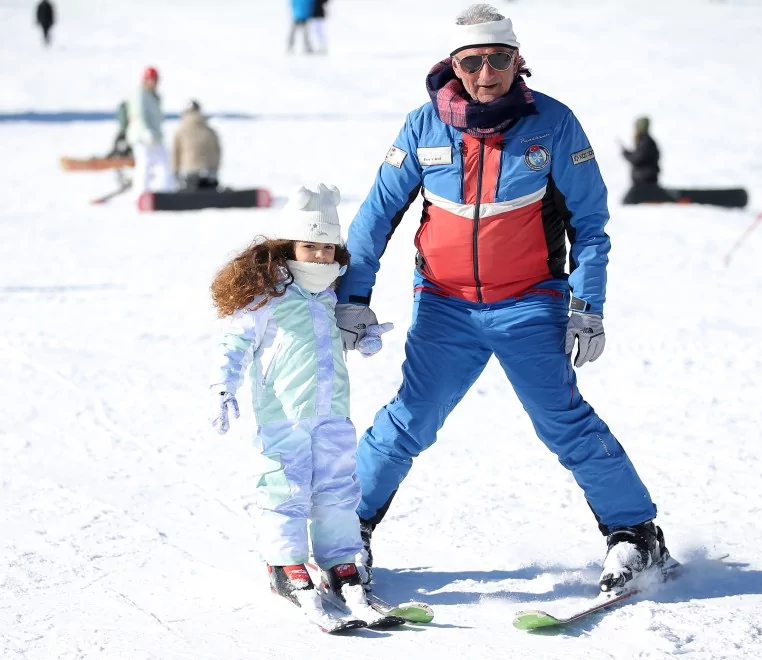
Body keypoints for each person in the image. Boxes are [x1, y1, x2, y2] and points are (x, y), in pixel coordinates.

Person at [335, 3, 667, 595]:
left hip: (529, 301)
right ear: (453, 64)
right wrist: (352, 296)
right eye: (473, 61)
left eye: (498, 59)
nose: (486, 73)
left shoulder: (554, 124)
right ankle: (344, 533)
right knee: (410, 418)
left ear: (518, 60)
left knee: (562, 420)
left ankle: (635, 536)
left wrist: (587, 306)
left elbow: (590, 224)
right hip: (444, 303)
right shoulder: (423, 126)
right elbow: (376, 214)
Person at [209, 184, 393, 615]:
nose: (319, 256)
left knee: (336, 489)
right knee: (285, 487)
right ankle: (285, 563)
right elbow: (235, 343)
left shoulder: (332, 293)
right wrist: (223, 386)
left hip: (332, 412)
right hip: (283, 415)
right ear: (288, 247)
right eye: (309, 246)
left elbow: (335, 334)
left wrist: (362, 336)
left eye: (328, 248)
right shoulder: (267, 296)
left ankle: (339, 561)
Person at [127, 66, 176, 195]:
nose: (152, 82)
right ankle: (140, 194)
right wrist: (145, 132)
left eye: (154, 79)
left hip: (156, 137)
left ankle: (165, 192)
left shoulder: (155, 96)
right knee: (144, 164)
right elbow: (139, 114)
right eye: (150, 79)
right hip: (142, 137)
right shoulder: (140, 94)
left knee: (164, 162)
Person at [171, 100, 222, 191]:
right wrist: (214, 170)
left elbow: (175, 153)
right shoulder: (210, 132)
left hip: (187, 174)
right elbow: (217, 152)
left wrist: (175, 172)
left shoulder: (180, 132)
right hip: (208, 173)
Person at [619, 116, 663, 204]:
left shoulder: (645, 141)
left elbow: (638, 159)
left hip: (645, 182)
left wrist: (626, 154)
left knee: (628, 201)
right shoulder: (646, 141)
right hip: (643, 181)